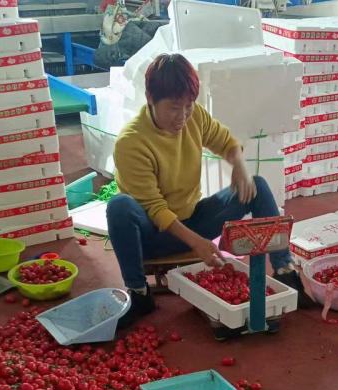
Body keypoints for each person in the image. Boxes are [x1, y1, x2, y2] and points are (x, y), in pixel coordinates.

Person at [107, 53, 308, 320]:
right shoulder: (131, 142)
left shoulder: (194, 117)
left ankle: (286, 271)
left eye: (188, 106)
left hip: (192, 219)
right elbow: (155, 209)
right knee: (120, 206)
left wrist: (239, 166)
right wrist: (198, 244)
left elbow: (226, 142)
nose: (182, 116)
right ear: (150, 98)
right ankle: (139, 292)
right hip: (153, 235)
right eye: (173, 108)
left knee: (256, 185)